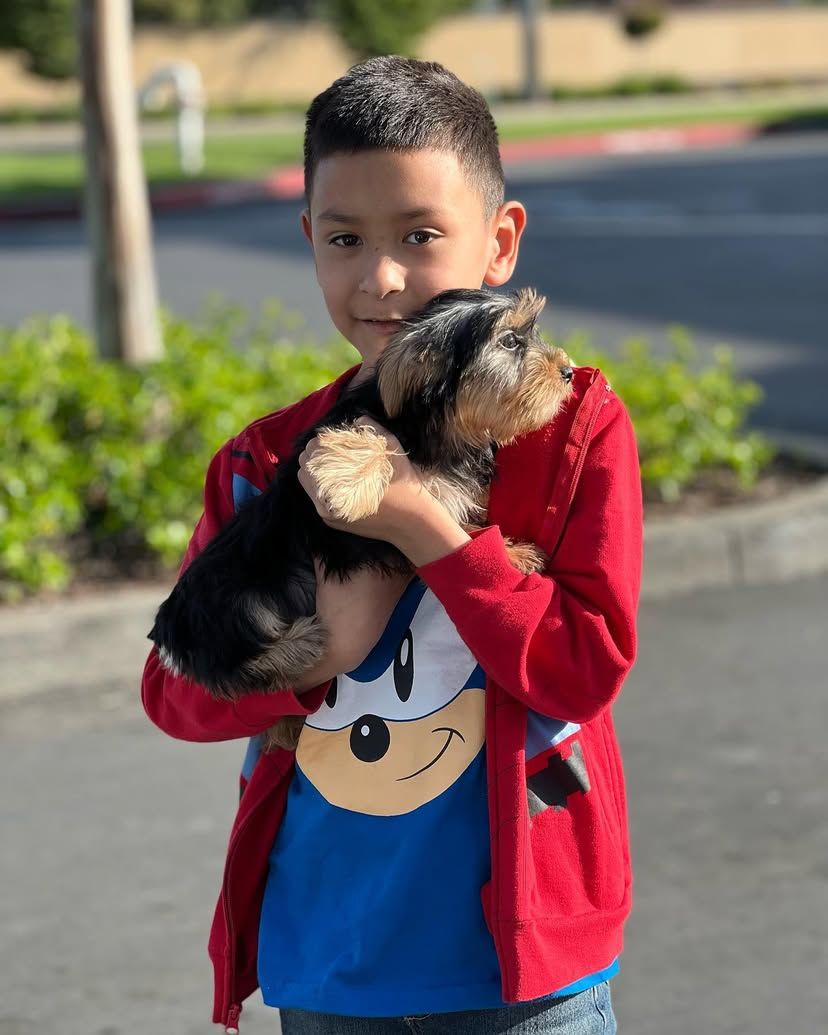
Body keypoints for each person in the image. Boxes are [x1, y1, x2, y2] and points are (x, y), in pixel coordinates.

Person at [141, 56, 643, 1035]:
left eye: (420, 235)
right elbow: (174, 693)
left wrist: (423, 525)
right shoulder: (263, 461)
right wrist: (321, 654)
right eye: (345, 239)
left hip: (520, 977)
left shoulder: (574, 430)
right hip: (329, 960)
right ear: (311, 245)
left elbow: (581, 670)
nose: (381, 278)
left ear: (500, 244)